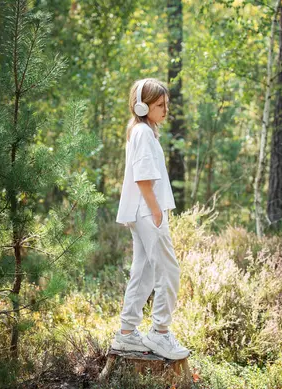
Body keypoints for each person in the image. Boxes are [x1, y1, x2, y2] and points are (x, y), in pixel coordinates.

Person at [112, 78, 190, 360]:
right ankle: (159, 333)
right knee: (169, 271)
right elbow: (144, 178)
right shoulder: (144, 132)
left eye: (165, 103)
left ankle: (126, 333)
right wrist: (157, 212)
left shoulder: (141, 130)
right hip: (147, 210)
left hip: (141, 210)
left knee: (143, 273)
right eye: (160, 105)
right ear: (143, 106)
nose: (165, 109)